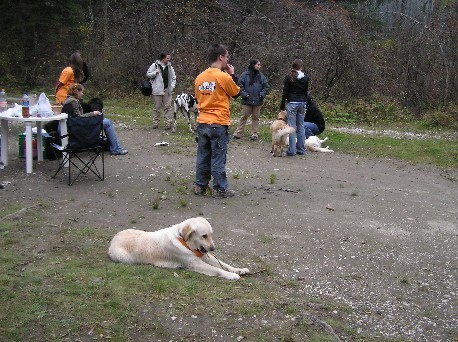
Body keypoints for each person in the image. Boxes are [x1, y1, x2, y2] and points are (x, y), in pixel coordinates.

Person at [193, 44, 241, 199]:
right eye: (227, 57)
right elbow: (236, 93)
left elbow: (198, 98)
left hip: (202, 121)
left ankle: (200, 185)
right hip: (218, 122)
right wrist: (232, 74)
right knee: (218, 157)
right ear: (221, 57)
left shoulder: (200, 77)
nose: (227, 60)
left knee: (203, 155)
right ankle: (219, 188)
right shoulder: (223, 76)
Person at [62, 84, 128, 155]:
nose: (82, 94)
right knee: (108, 122)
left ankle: (115, 147)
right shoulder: (73, 101)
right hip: (79, 128)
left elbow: (77, 117)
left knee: (106, 121)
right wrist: (93, 114)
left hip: (73, 126)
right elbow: (79, 117)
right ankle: (115, 148)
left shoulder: (67, 100)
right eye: (82, 92)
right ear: (76, 91)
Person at [233, 59, 270, 141]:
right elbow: (240, 86)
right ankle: (238, 133)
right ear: (253, 65)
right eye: (258, 64)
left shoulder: (261, 76)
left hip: (258, 101)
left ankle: (254, 133)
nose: (259, 66)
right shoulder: (244, 75)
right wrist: (244, 94)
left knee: (255, 117)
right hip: (247, 100)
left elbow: (266, 87)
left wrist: (262, 95)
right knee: (244, 116)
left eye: (260, 65)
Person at [279, 59, 309, 156]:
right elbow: (306, 92)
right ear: (301, 66)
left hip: (292, 103)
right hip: (302, 103)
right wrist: (306, 102)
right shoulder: (305, 77)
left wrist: (282, 105)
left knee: (292, 127)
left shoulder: (289, 77)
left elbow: (285, 92)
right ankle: (301, 149)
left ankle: (292, 150)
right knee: (301, 126)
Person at [146, 52, 177, 129]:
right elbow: (148, 74)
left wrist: (172, 87)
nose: (169, 60)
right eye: (167, 58)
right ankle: (155, 123)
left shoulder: (170, 67)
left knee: (168, 107)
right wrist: (155, 72)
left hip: (167, 90)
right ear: (163, 58)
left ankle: (168, 123)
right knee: (157, 107)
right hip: (157, 90)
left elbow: (174, 78)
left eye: (169, 58)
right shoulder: (155, 65)